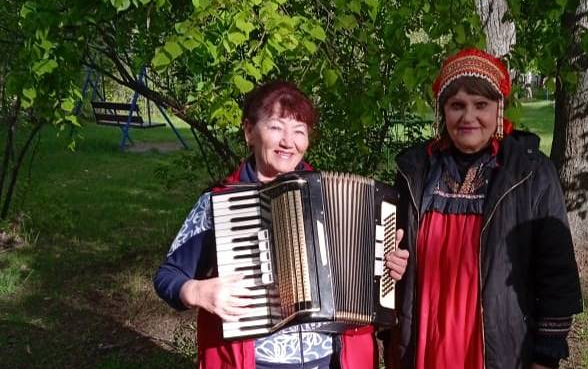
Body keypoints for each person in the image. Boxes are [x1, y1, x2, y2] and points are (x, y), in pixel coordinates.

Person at [154, 81, 409, 369]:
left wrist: (387, 268)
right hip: (255, 362)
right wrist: (197, 292)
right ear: (250, 131)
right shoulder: (221, 204)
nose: (289, 142)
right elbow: (168, 276)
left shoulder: (333, 195)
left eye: (299, 131)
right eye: (276, 127)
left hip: (332, 359)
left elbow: (366, 284)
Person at [389, 48, 582, 369]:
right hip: (423, 342)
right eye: (456, 106)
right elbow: (391, 256)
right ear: (442, 111)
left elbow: (556, 273)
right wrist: (391, 265)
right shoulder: (415, 170)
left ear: (499, 108)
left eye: (481, 105)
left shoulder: (530, 173)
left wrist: (546, 356)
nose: (468, 117)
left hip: (498, 347)